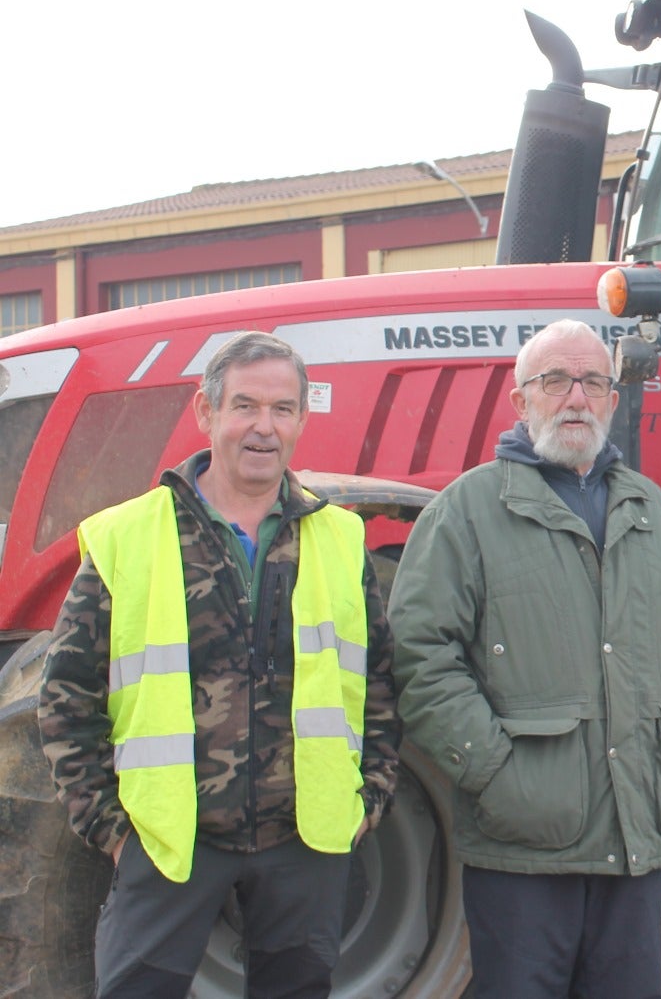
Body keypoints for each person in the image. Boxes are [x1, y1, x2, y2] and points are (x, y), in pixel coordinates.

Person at [38, 330, 401, 998]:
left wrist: (369, 799)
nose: (264, 428)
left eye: (282, 409)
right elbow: (66, 697)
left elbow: (378, 683)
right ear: (207, 414)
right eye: (245, 406)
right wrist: (114, 832)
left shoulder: (340, 538)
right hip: (170, 844)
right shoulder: (130, 535)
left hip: (305, 839)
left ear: (301, 420)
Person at [387, 319, 661, 998]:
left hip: (637, 835)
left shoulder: (657, 517)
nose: (576, 397)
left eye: (593, 382)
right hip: (524, 845)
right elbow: (421, 654)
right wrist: (494, 772)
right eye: (555, 381)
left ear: (611, 400)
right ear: (520, 401)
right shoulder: (467, 514)